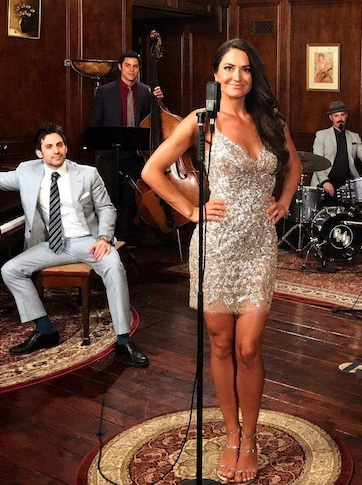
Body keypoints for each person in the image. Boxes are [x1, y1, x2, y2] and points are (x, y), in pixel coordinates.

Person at [140, 39, 302, 484]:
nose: (237, 77)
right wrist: (191, 211)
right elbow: (152, 170)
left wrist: (284, 202)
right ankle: (232, 435)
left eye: (245, 69)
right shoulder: (201, 121)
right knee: (220, 344)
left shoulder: (271, 119)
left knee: (249, 347)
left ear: (254, 76)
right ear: (216, 75)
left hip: (258, 246)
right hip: (216, 245)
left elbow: (295, 165)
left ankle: (249, 438)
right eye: (228, 68)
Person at [0, 123, 149, 367]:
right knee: (10, 270)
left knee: (114, 266)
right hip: (52, 244)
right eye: (49, 147)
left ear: (66, 147)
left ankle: (124, 340)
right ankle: (45, 329)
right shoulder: (25, 172)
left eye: (59, 145)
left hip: (88, 241)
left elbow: (106, 208)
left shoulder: (87, 173)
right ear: (39, 152)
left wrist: (104, 237)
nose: (55, 151)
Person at [89, 50, 164, 241]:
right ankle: (108, 238)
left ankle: (126, 239)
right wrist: (100, 152)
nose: (132, 70)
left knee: (130, 198)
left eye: (135, 66)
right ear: (120, 67)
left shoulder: (147, 92)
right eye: (128, 66)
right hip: (110, 153)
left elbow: (158, 120)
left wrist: (159, 102)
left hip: (136, 154)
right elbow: (95, 123)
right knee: (110, 196)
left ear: (139, 69)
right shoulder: (105, 92)